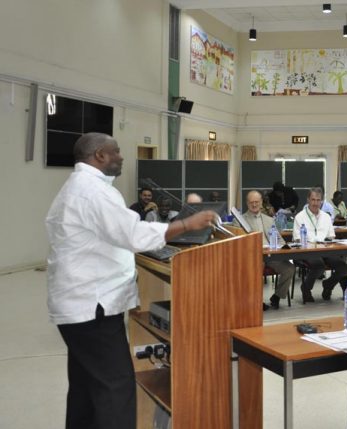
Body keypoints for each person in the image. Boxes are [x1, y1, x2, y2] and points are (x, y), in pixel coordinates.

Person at [46, 133, 216, 429]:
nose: (121, 157)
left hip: (77, 305)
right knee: (116, 387)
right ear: (99, 155)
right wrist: (187, 224)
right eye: (116, 151)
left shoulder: (76, 187)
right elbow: (133, 235)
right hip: (93, 306)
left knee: (86, 388)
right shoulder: (94, 192)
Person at [293, 188, 347, 303]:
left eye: (318, 200)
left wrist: (326, 242)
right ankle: (306, 288)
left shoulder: (326, 216)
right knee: (318, 265)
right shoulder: (300, 216)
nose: (315, 203)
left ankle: (328, 284)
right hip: (307, 250)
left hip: (325, 249)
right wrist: (313, 242)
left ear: (322, 201)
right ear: (308, 200)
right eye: (313, 200)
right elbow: (297, 238)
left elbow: (331, 236)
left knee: (343, 267)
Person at [236, 190, 295, 309]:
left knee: (290, 268)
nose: (254, 205)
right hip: (252, 257)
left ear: (261, 202)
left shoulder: (269, 219)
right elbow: (238, 244)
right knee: (259, 267)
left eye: (256, 202)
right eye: (251, 202)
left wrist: (285, 247)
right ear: (247, 203)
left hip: (271, 256)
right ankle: (257, 301)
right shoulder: (239, 221)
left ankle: (277, 296)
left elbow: (279, 239)